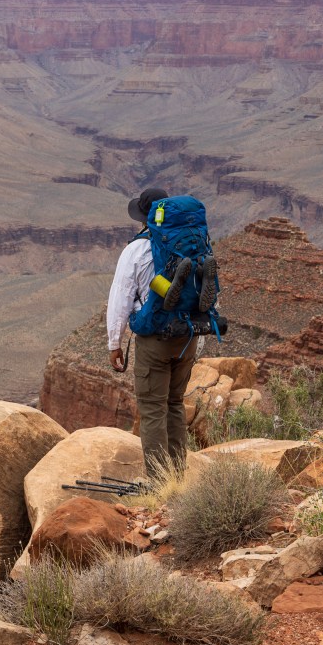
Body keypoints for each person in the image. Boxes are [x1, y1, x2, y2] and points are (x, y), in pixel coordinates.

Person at [107, 185, 198, 476]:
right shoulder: (191, 243)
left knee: (153, 411)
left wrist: (114, 343)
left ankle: (160, 483)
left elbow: (120, 298)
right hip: (188, 337)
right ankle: (178, 475)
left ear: (144, 217)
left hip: (154, 339)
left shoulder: (136, 249)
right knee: (174, 405)